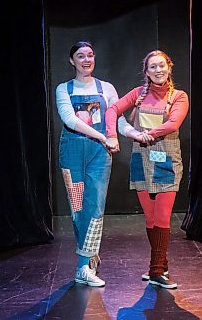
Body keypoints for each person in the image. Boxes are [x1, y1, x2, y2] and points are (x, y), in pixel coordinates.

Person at [105, 50, 189, 288]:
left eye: (161, 66)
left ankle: (155, 270)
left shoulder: (179, 96)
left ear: (169, 67)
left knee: (163, 217)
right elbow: (112, 111)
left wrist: (147, 134)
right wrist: (114, 135)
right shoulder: (138, 95)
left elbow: (173, 123)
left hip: (167, 162)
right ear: (146, 72)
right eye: (152, 67)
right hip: (141, 160)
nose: (158, 70)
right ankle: (160, 264)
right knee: (151, 219)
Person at [55, 41, 132, 286]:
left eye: (90, 55)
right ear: (72, 61)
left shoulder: (106, 88)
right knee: (78, 209)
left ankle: (83, 266)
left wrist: (134, 134)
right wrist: (103, 136)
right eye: (80, 56)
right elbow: (69, 120)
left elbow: (115, 120)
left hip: (99, 155)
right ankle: (87, 260)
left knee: (95, 207)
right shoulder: (64, 89)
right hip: (73, 152)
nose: (86, 60)